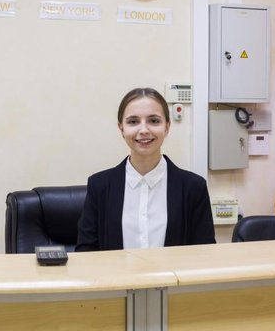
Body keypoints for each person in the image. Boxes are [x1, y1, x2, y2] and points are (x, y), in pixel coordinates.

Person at [76, 87, 216, 251]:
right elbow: (86, 252)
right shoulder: (99, 186)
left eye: (154, 121)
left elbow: (204, 254)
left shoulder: (193, 188)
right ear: (121, 128)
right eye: (133, 122)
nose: (143, 130)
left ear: (167, 127)